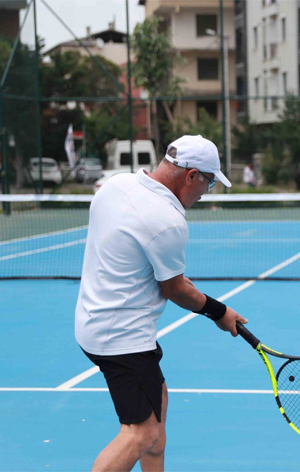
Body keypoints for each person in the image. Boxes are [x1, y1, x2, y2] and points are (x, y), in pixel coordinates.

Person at [74, 135, 248, 472]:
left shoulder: (116, 185)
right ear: (191, 175)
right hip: (121, 338)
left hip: (93, 319)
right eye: (209, 183)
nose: (205, 192)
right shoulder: (167, 220)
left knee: (159, 405)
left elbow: (133, 256)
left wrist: (177, 282)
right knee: (141, 433)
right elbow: (175, 290)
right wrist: (221, 313)